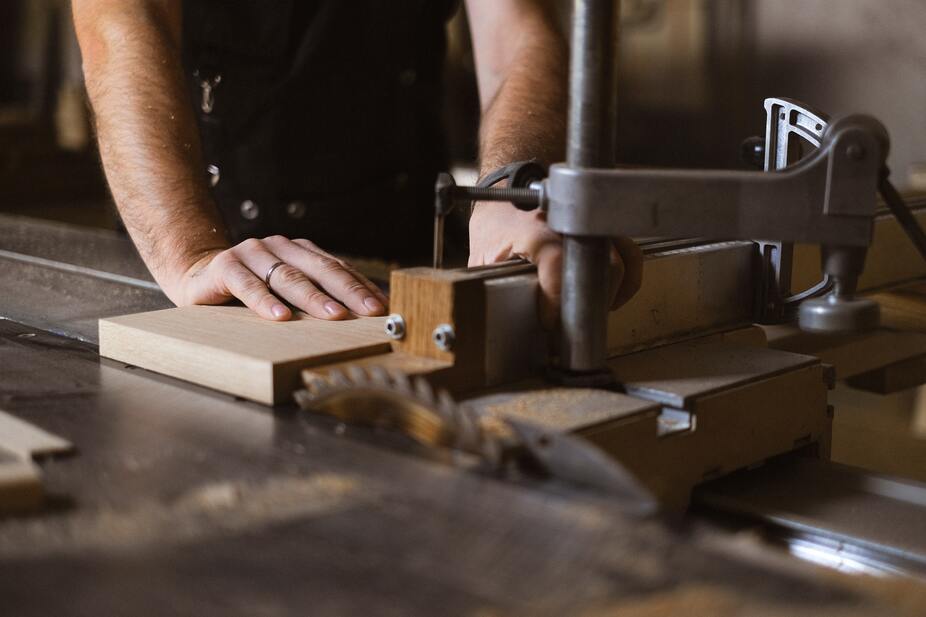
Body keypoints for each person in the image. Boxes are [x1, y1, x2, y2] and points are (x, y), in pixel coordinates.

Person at [73, 0, 641, 326]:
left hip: (408, 247)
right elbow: (120, 24)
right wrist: (189, 252)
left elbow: (518, 33)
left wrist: (515, 189)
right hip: (207, 258)